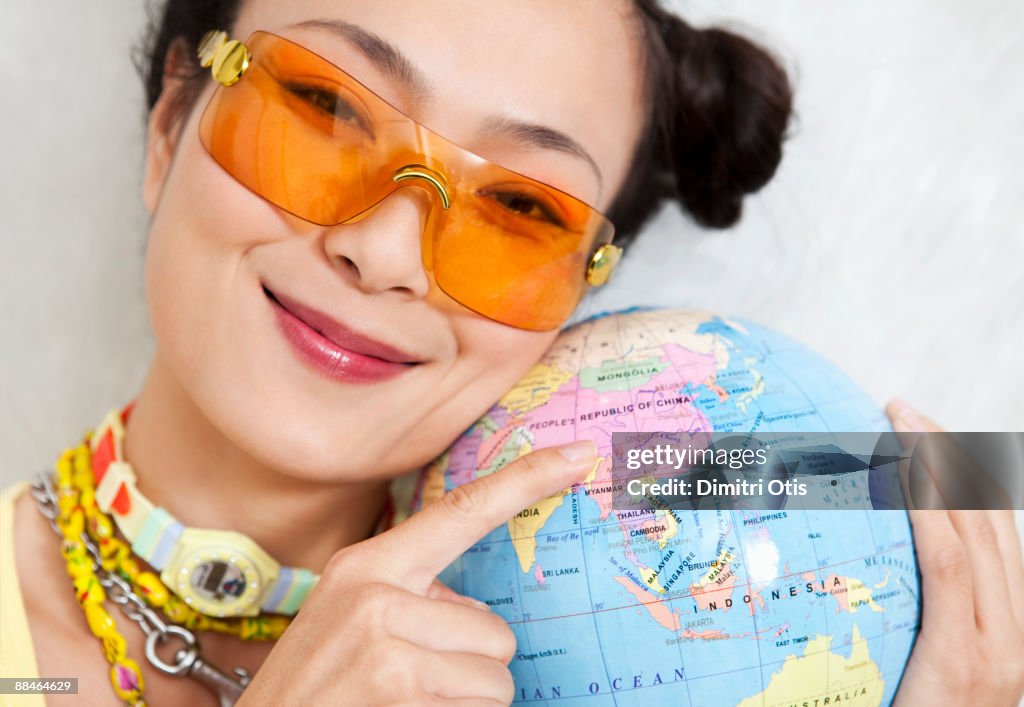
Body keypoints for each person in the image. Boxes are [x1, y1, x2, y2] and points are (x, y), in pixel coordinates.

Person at [0, 0, 1021, 704]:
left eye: (522, 208)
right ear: (171, 124)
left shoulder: (623, 492)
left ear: (583, 293)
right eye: (320, 109)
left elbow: (936, 472)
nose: (386, 250)